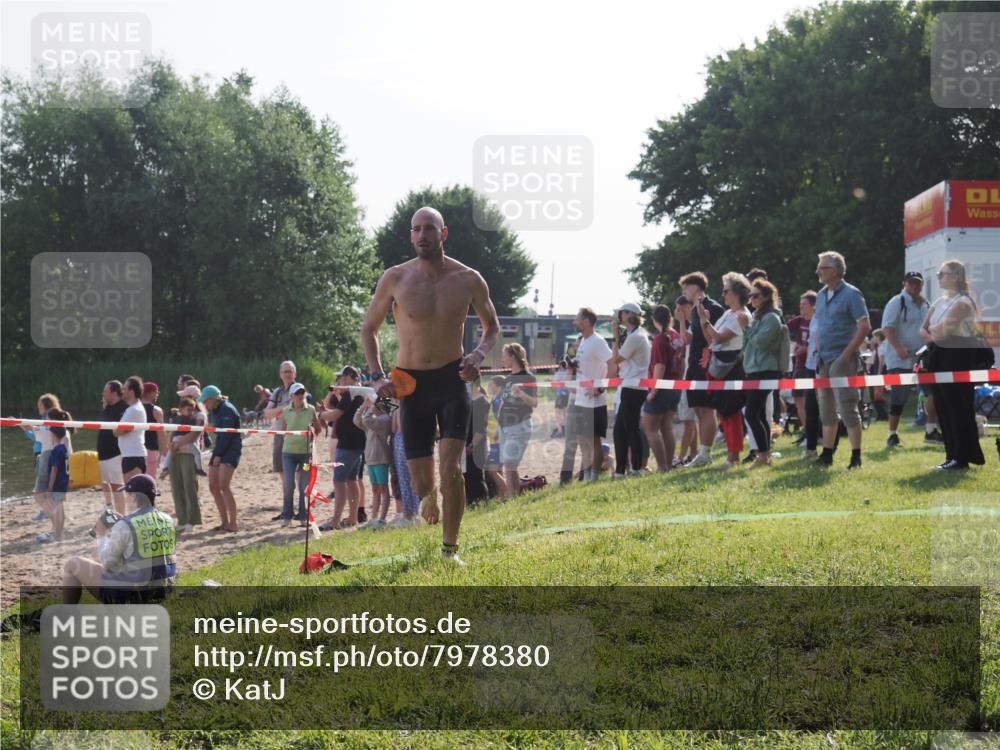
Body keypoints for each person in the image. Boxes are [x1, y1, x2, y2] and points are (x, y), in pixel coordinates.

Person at [361, 205, 500, 564]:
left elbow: (492, 327)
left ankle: (449, 550)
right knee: (423, 483)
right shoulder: (395, 278)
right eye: (416, 229)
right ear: (411, 236)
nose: (422, 235)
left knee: (452, 467)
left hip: (452, 379)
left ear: (444, 233)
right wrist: (376, 375)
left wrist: (478, 355)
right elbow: (369, 328)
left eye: (429, 228)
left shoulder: (469, 279)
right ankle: (429, 495)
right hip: (410, 385)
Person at [61, 474, 176, 605]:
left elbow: (107, 563)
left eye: (127, 495)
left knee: (72, 564)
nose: (126, 499)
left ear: (133, 496)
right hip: (164, 591)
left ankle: (67, 616)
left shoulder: (127, 525)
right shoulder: (168, 520)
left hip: (137, 595)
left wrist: (102, 535)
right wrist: (122, 525)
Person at [920, 259, 988, 471]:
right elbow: (924, 330)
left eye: (943, 274)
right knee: (943, 407)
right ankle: (951, 455)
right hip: (939, 357)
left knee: (958, 407)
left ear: (956, 277)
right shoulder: (940, 302)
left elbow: (945, 330)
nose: (939, 277)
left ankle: (962, 457)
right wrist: (934, 333)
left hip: (957, 357)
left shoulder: (963, 302)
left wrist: (934, 331)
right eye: (939, 274)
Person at [813, 251, 871, 470]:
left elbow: (864, 326)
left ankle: (856, 457)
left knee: (847, 406)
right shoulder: (820, 295)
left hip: (842, 358)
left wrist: (846, 354)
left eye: (822, 267)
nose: (817, 271)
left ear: (834, 270)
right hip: (823, 358)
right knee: (825, 408)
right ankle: (827, 454)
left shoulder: (852, 294)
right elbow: (819, 327)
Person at [698, 273, 751, 468]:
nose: (723, 294)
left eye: (726, 290)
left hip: (731, 367)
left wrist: (706, 321)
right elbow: (710, 338)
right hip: (719, 365)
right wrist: (705, 321)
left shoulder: (742, 315)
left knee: (731, 412)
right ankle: (731, 454)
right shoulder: (728, 314)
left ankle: (733, 457)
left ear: (737, 293)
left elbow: (719, 337)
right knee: (724, 413)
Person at [680, 273, 725, 467]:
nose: (684, 292)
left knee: (707, 409)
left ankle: (706, 453)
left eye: (686, 288)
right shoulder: (695, 311)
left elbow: (713, 340)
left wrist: (701, 318)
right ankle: (702, 453)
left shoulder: (713, 308)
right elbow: (688, 339)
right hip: (694, 364)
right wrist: (682, 319)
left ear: (697, 288)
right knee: (698, 408)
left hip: (706, 365)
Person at [881, 271, 931, 448]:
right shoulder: (896, 302)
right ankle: (892, 434)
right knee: (898, 398)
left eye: (918, 283)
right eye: (911, 283)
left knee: (930, 392)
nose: (915, 286)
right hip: (900, 359)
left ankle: (931, 430)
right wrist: (898, 347)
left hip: (923, 358)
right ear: (904, 284)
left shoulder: (926, 304)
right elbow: (887, 328)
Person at [741, 279, 786, 468]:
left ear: (768, 297)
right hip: (754, 370)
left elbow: (761, 343)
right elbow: (748, 344)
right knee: (757, 415)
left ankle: (763, 455)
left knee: (751, 414)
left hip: (765, 371)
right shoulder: (759, 317)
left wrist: (747, 327)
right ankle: (765, 456)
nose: (751, 299)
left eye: (755, 295)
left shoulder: (772, 319)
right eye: (750, 296)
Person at [319, 367, 367, 530]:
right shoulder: (361, 392)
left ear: (348, 377)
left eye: (341, 377)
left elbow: (336, 415)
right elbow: (341, 412)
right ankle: (352, 517)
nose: (340, 381)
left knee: (339, 482)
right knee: (352, 481)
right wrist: (326, 413)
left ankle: (335, 521)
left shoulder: (350, 393)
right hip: (359, 443)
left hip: (347, 444)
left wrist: (320, 415)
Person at [642, 304, 686, 472]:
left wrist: (654, 391)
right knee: (667, 427)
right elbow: (682, 363)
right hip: (675, 386)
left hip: (662, 386)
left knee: (650, 428)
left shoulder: (660, 339)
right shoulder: (677, 337)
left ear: (654, 320)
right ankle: (668, 465)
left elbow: (659, 366)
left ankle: (662, 467)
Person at [572, 308, 614, 481]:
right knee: (582, 439)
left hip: (595, 400)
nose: (575, 322)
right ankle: (587, 472)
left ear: (587, 321)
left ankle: (593, 476)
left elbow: (613, 366)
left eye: (578, 319)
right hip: (581, 398)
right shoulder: (583, 340)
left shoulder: (598, 341)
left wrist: (600, 388)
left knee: (594, 439)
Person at [611, 303, 650, 478]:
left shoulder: (636, 337)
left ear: (630, 315)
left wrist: (614, 336)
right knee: (620, 429)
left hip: (633, 387)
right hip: (630, 386)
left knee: (630, 429)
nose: (620, 315)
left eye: (623, 313)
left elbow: (617, 359)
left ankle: (635, 468)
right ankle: (622, 470)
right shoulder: (634, 334)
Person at [198, 385, 242, 532]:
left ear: (212, 399)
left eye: (205, 401)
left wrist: (218, 456)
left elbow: (227, 436)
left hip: (230, 449)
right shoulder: (216, 410)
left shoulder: (227, 409)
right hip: (220, 448)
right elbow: (220, 436)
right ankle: (224, 522)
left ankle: (233, 523)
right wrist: (216, 454)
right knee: (213, 486)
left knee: (224, 486)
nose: (204, 404)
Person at [497, 343, 538, 495]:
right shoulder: (508, 378)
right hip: (504, 427)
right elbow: (504, 402)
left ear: (513, 357)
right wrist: (497, 426)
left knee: (509, 463)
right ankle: (514, 496)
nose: (502, 359)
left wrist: (521, 394)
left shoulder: (528, 377)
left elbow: (534, 403)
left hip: (519, 426)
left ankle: (512, 496)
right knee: (510, 465)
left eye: (504, 355)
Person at [263, 361, 302, 520]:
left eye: (290, 371)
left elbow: (298, 409)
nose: (287, 374)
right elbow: (267, 414)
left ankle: (302, 509)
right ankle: (288, 509)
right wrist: (283, 409)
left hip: (296, 437)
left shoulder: (299, 388)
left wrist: (278, 411)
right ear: (280, 374)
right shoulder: (277, 392)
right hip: (279, 435)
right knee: (283, 474)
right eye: (284, 371)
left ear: (295, 373)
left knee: (299, 475)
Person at [280, 383, 322, 528]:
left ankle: (304, 516)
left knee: (304, 485)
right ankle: (287, 516)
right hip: (288, 454)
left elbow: (318, 428)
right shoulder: (286, 411)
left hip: (305, 454)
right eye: (297, 393)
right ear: (291, 396)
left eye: (302, 393)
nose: (300, 396)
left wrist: (312, 438)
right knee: (289, 484)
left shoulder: (310, 409)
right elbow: (283, 430)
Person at [356, 394, 393, 528]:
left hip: (381, 458)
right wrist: (363, 405)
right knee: (375, 489)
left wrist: (371, 407)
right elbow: (357, 420)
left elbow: (366, 420)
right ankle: (374, 518)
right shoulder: (373, 420)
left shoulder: (384, 419)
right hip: (371, 459)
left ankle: (382, 519)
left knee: (383, 488)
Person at [167, 397, 203, 533]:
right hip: (176, 453)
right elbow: (171, 432)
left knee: (189, 487)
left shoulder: (198, 416)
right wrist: (170, 444)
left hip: (188, 454)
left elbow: (194, 435)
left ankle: (191, 520)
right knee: (177, 488)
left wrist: (177, 444)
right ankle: (182, 520)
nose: (190, 411)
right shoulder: (177, 417)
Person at [37, 408, 73, 544]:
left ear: (54, 436)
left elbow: (54, 470)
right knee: (60, 507)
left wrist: (50, 486)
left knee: (57, 507)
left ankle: (58, 534)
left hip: (57, 482)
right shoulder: (63, 448)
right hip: (63, 481)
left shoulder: (56, 451)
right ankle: (59, 533)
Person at [787, 291, 817, 445]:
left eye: (804, 304)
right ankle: (806, 431)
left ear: (813, 306)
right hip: (798, 365)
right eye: (800, 304)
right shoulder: (798, 321)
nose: (801, 307)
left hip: (811, 365)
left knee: (809, 401)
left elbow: (819, 340)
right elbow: (783, 329)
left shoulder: (817, 321)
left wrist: (806, 348)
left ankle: (814, 433)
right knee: (798, 399)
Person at [97, 381, 128, 512]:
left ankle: (121, 514)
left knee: (118, 487)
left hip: (115, 454)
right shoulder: (107, 407)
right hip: (103, 454)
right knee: (106, 483)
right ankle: (112, 509)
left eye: (106, 391)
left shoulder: (124, 408)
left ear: (114, 393)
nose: (103, 394)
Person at [389, 407, 420, 527]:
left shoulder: (406, 407)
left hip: (406, 441)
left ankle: (414, 514)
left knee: (412, 479)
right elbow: (394, 428)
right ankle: (408, 514)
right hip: (399, 441)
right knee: (404, 481)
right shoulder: (397, 409)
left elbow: (402, 427)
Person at [114, 376, 148, 481]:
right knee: (132, 492)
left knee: (133, 493)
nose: (122, 391)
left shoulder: (134, 410)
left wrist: (116, 430)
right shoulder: (133, 409)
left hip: (133, 455)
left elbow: (117, 432)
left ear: (131, 392)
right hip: (130, 454)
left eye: (125, 389)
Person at [464, 377, 490, 504]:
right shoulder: (468, 400)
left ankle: (481, 503)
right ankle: (470, 504)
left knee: (476, 477)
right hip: (466, 444)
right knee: (466, 477)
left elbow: (481, 428)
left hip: (476, 445)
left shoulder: (482, 401)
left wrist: (472, 445)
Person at [141, 382, 167, 478]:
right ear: (150, 393)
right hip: (151, 448)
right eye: (156, 392)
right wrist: (165, 448)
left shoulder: (132, 408)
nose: (157, 395)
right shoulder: (156, 410)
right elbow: (161, 431)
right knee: (149, 479)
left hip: (135, 448)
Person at [552, 360, 570, 438]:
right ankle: (565, 429)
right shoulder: (569, 373)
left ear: (560, 366)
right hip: (567, 395)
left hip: (560, 395)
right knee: (565, 412)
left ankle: (560, 431)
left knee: (557, 413)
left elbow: (554, 383)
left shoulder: (558, 373)